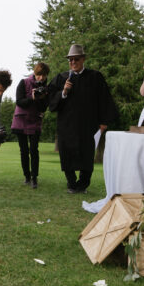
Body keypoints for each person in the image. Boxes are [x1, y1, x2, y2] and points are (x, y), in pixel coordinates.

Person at [48, 44, 119, 194]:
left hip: (88, 125)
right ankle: (71, 184)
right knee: (67, 155)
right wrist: (63, 92)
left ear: (83, 59)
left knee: (86, 156)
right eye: (70, 60)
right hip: (67, 126)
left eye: (76, 59)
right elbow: (51, 102)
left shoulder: (95, 77)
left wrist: (103, 122)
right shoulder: (61, 78)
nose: (73, 62)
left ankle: (83, 185)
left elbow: (104, 100)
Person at [11, 61, 50, 188]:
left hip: (35, 121)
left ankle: (34, 178)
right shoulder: (23, 82)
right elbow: (19, 102)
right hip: (21, 120)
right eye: (39, 75)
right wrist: (32, 98)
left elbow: (43, 108)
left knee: (34, 150)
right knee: (24, 151)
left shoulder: (46, 89)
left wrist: (41, 99)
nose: (41, 78)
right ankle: (27, 176)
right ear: (35, 72)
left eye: (44, 75)